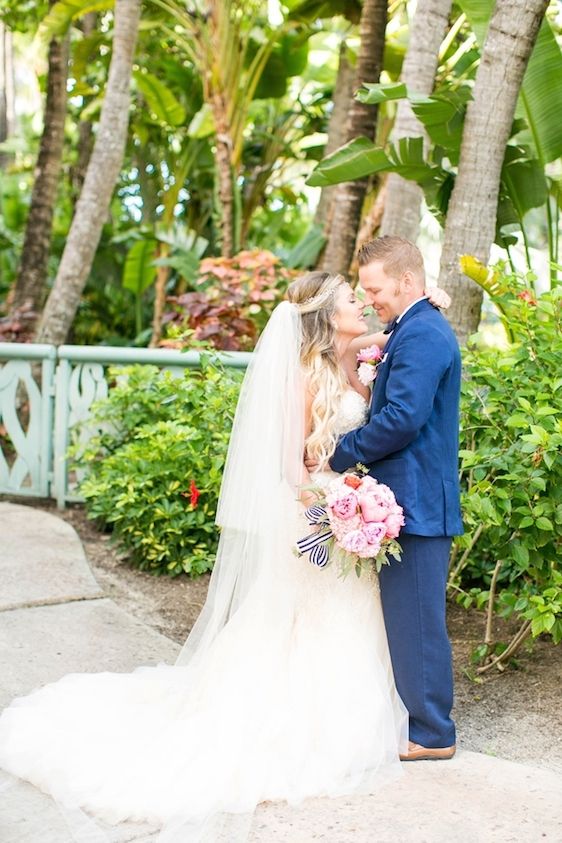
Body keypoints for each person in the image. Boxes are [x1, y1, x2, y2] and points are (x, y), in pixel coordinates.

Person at [0, 269, 450, 842]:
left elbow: (402, 328)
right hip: (319, 517)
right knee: (303, 625)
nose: (361, 304)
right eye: (349, 299)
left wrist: (429, 297)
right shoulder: (304, 376)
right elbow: (291, 469)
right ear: (324, 316)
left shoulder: (362, 357)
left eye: (363, 296)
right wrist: (339, 499)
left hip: (354, 515)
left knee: (358, 619)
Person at [326, 236, 463, 761]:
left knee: (419, 620)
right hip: (406, 495)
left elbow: (402, 419)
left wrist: (342, 453)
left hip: (418, 499)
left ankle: (433, 734)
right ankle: (423, 723)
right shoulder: (412, 326)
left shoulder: (423, 334)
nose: (370, 299)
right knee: (408, 617)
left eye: (376, 289)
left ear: (407, 281)